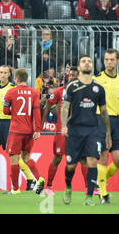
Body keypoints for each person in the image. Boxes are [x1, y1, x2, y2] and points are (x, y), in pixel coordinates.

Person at [0, 65, 37, 191]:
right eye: (1, 72)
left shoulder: (13, 89)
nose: (2, 75)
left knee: (14, 156)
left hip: (9, 123)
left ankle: (30, 179)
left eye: (5, 73)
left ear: (10, 75)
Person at [60, 54, 110, 206]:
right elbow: (65, 107)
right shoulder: (71, 86)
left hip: (92, 129)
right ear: (79, 67)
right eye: (84, 61)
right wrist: (63, 125)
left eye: (89, 61)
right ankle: (68, 186)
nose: (87, 63)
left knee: (92, 161)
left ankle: (89, 197)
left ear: (92, 66)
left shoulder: (99, 89)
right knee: (71, 165)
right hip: (74, 130)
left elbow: (104, 111)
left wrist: (107, 132)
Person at [41, 66, 84, 195]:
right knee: (57, 158)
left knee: (83, 159)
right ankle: (48, 186)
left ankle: (90, 188)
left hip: (79, 131)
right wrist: (41, 124)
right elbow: (48, 105)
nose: (72, 77)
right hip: (61, 132)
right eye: (70, 75)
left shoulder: (84, 92)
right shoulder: (60, 91)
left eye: (75, 75)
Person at [3, 68, 44, 195]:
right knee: (26, 157)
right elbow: (37, 112)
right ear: (26, 79)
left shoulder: (10, 92)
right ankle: (39, 178)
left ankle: (15, 188)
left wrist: (12, 111)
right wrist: (37, 129)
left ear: (16, 79)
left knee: (13, 158)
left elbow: (5, 111)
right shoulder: (34, 93)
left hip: (16, 130)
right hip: (29, 131)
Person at [93, 49, 119, 204]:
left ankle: (100, 180)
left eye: (112, 59)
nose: (109, 62)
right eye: (106, 59)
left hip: (116, 121)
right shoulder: (96, 80)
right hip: (100, 120)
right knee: (103, 156)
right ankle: (103, 194)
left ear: (118, 61)